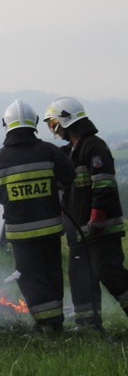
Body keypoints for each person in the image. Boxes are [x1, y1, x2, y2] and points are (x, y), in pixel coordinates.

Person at [0, 99, 75, 332]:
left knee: (30, 278)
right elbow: (68, 177)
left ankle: (48, 324)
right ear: (34, 123)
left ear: (6, 124)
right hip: (50, 230)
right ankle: (55, 322)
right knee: (52, 273)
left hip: (21, 233)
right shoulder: (49, 151)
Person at [44, 96, 128, 330]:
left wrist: (97, 218)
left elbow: (103, 184)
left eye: (53, 124)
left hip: (100, 229)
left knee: (110, 274)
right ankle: (88, 326)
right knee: (80, 277)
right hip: (80, 231)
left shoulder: (93, 146)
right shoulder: (69, 151)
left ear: (65, 120)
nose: (54, 129)